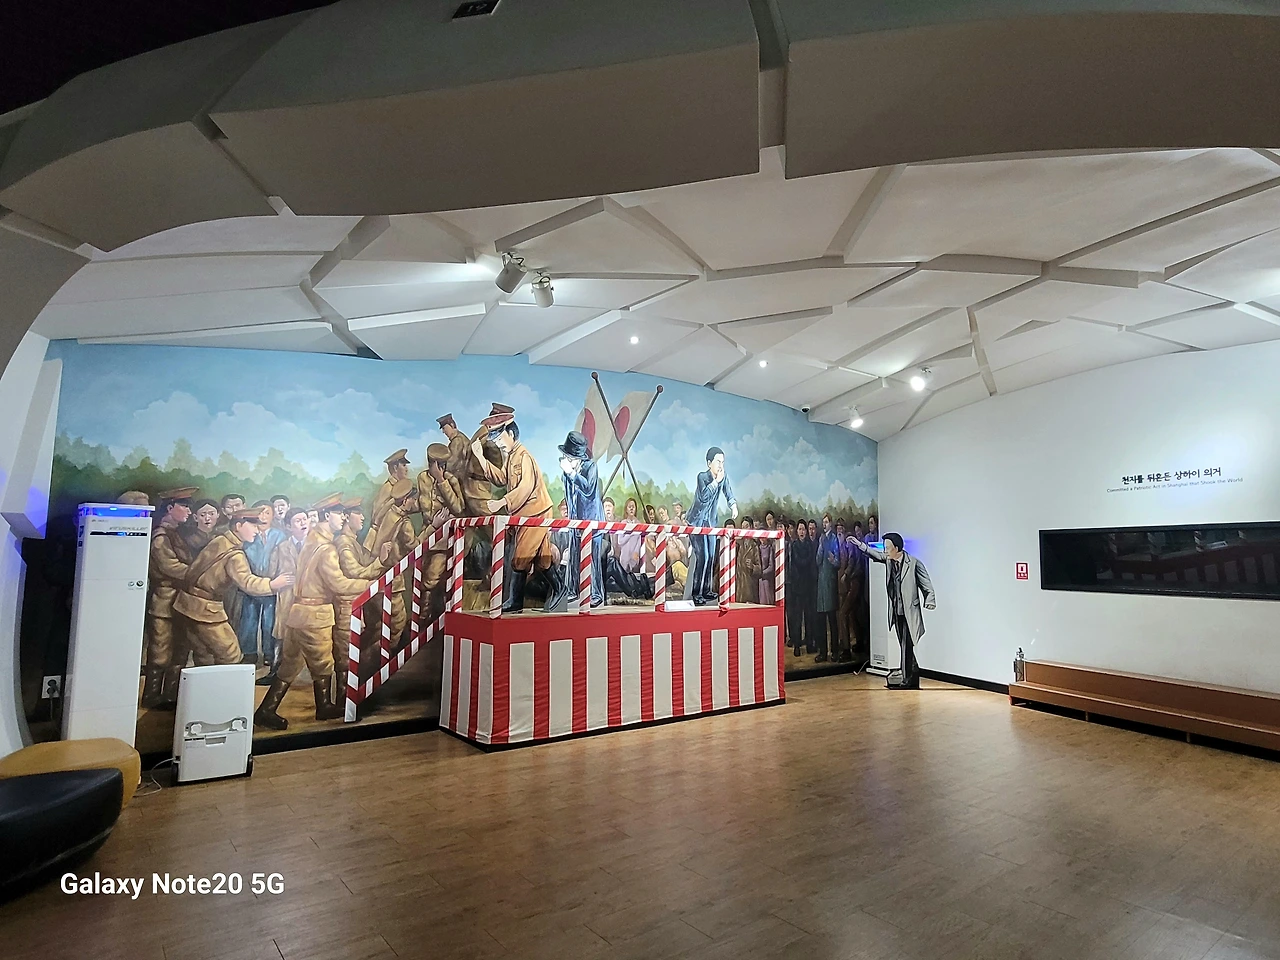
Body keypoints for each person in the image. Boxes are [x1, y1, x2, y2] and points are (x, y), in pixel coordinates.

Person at [256, 495, 371, 729]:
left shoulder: (311, 541)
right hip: (315, 614)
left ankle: (267, 710)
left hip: (298, 614)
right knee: (323, 663)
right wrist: (370, 584)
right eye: (339, 514)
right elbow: (338, 584)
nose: (343, 518)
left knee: (289, 665)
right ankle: (324, 707)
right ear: (327, 516)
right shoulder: (326, 548)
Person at [173, 508, 293, 668]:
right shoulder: (234, 555)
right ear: (238, 526)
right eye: (253, 526)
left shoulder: (220, 541)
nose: (257, 531)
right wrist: (272, 585)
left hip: (186, 604)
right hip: (206, 610)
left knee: (204, 654)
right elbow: (247, 582)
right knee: (230, 653)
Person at [472, 403, 563, 612]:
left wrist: (502, 502)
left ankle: (515, 602)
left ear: (511, 434)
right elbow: (501, 478)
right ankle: (561, 589)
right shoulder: (511, 457)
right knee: (542, 559)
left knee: (519, 558)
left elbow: (525, 487)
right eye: (495, 440)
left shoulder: (524, 457)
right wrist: (481, 458)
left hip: (535, 514)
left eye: (499, 439)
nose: (497, 444)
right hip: (527, 514)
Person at [849, 532, 935, 689]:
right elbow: (876, 555)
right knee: (904, 645)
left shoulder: (913, 563)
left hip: (909, 612)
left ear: (897, 548)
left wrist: (929, 600)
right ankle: (913, 676)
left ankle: (907, 680)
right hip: (897, 612)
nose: (885, 551)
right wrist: (859, 544)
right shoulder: (889, 560)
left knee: (906, 645)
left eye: (888, 547)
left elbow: (926, 583)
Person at [142, 486, 197, 708]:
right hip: (164, 601)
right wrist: (198, 573)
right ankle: (152, 696)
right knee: (161, 651)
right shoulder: (161, 537)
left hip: (179, 601)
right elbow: (169, 566)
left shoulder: (176, 534)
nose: (189, 511)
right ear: (170, 507)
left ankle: (171, 695)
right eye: (185, 506)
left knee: (180, 649)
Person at [364, 449, 418, 646]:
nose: (406, 469)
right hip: (384, 557)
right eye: (403, 465)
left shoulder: (399, 491)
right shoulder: (390, 490)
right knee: (393, 620)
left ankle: (370, 655)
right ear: (395, 468)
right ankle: (376, 657)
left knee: (379, 623)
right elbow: (378, 521)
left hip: (385, 557)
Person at [558, 430, 605, 607]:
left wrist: (571, 473)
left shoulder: (590, 467)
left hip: (592, 522)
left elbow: (588, 489)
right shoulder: (566, 473)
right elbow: (569, 496)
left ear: (578, 457)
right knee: (574, 558)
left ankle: (596, 594)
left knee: (592, 560)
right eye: (565, 456)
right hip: (575, 522)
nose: (566, 459)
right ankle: (573, 591)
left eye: (569, 457)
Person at [237, 500, 286, 668]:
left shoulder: (279, 536)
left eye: (267, 513)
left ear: (273, 516)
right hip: (250, 586)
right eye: (260, 513)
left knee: (269, 621)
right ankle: (249, 652)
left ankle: (269, 653)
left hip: (272, 586)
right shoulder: (249, 535)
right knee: (248, 620)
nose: (263, 517)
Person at [686, 447, 738, 605]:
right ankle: (696, 593)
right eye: (718, 461)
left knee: (710, 557)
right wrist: (716, 482)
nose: (721, 465)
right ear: (709, 463)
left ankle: (707, 590)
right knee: (702, 557)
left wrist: (733, 505)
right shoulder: (702, 477)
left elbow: (728, 491)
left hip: (711, 524)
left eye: (723, 462)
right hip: (696, 523)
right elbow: (704, 497)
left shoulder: (723, 477)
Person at [264, 507, 309, 687]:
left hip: (309, 599)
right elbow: (271, 574)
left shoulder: (317, 546)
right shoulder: (282, 548)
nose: (303, 523)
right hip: (287, 599)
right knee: (282, 636)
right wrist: (278, 581)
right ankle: (275, 672)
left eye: (305, 519)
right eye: (298, 521)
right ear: (289, 527)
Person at [815, 514, 840, 662]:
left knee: (832, 620)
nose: (824, 524)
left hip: (830, 583)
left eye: (826, 522)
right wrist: (820, 547)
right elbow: (817, 560)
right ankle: (823, 652)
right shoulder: (822, 539)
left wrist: (832, 559)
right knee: (821, 621)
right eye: (823, 522)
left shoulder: (834, 539)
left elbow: (837, 562)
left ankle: (834, 651)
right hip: (821, 584)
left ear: (830, 523)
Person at [785, 521, 804, 655]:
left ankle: (800, 642)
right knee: (793, 615)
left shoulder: (799, 544)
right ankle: (794, 640)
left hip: (801, 584)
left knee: (800, 615)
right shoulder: (787, 544)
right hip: (790, 583)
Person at [736, 516, 760, 604]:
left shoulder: (754, 546)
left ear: (751, 527)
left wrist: (753, 567)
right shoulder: (738, 544)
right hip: (739, 586)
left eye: (747, 526)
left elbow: (759, 569)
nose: (745, 529)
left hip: (750, 586)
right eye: (743, 527)